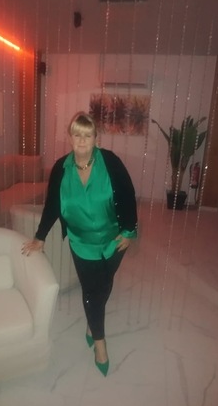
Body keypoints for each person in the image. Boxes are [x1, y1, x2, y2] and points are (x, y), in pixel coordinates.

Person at [21, 111, 137, 376]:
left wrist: (129, 230)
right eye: (77, 134)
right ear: (70, 137)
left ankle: (91, 322)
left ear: (96, 138)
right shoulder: (60, 169)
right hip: (81, 242)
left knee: (104, 284)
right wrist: (40, 236)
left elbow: (128, 195)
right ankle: (100, 344)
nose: (82, 140)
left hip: (114, 240)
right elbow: (52, 205)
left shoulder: (110, 162)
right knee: (91, 291)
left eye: (87, 135)